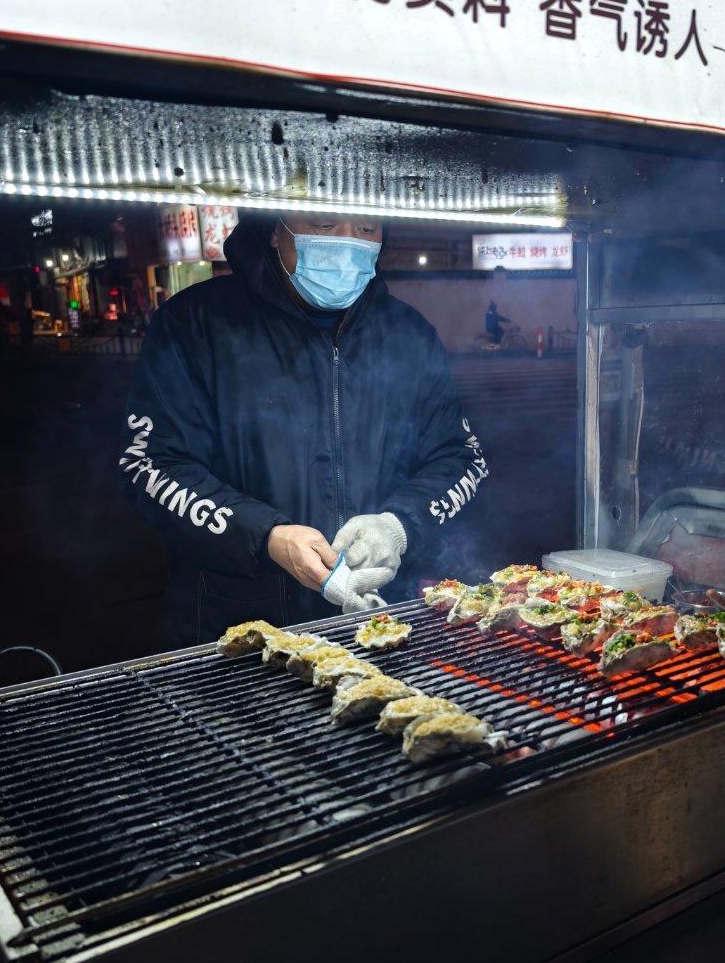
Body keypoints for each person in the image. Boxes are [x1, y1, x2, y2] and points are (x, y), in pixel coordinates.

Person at [120, 212, 487, 645]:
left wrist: (398, 525)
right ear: (275, 230)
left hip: (381, 614)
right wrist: (266, 535)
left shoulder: (408, 333)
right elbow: (151, 464)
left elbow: (461, 458)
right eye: (326, 224)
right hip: (240, 623)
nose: (348, 242)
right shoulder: (196, 323)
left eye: (367, 230)